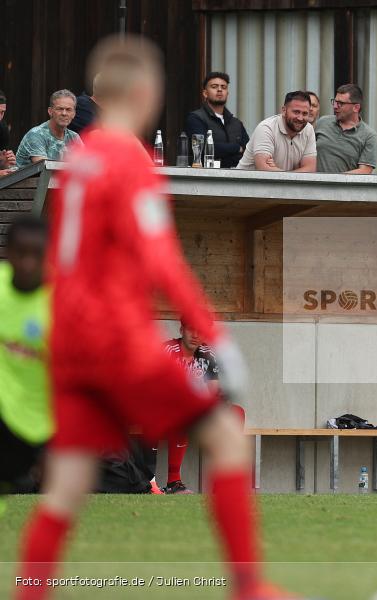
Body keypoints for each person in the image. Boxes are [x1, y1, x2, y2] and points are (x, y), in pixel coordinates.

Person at [14, 35, 294, 600]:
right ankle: (249, 587)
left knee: (66, 484)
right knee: (226, 437)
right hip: (113, 338)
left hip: (68, 344)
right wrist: (214, 334)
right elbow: (159, 255)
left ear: (95, 95)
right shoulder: (127, 155)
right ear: (145, 93)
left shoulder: (80, 159)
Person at [0, 216, 51, 502]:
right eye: (21, 254)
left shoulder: (59, 304)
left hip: (38, 417)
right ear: (8, 253)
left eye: (37, 256)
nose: (28, 263)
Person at [158, 322, 220, 494]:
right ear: (181, 330)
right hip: (156, 406)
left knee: (235, 413)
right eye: (191, 329)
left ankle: (224, 485)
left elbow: (212, 392)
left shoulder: (207, 354)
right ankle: (163, 481)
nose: (196, 335)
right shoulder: (168, 350)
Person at [236, 90, 317, 172]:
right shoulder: (266, 128)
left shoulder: (308, 130)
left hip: (281, 184)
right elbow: (263, 169)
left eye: (305, 113)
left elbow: (310, 169)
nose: (300, 118)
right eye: (296, 112)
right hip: (245, 183)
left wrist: (277, 171)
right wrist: (295, 172)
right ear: (284, 110)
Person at [185, 71, 250, 168]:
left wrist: (223, 151)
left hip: (237, 177)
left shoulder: (236, 123)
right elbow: (203, 149)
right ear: (205, 93)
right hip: (206, 178)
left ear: (227, 93)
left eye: (223, 87)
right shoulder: (196, 118)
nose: (219, 90)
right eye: (214, 87)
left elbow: (249, 151)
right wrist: (237, 148)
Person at [315, 83, 377, 174]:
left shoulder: (369, 135)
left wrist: (334, 181)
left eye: (340, 103)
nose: (335, 106)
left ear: (356, 108)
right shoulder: (323, 122)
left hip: (344, 188)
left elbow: (365, 170)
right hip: (313, 187)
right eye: (335, 102)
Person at [15, 89, 83, 169]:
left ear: (74, 114)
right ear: (50, 111)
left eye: (68, 110)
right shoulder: (36, 135)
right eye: (60, 109)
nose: (64, 113)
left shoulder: (74, 137)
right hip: (25, 181)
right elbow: (46, 169)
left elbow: (87, 166)